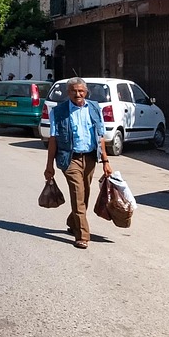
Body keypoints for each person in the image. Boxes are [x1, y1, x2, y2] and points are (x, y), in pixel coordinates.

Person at [44, 77, 112, 249]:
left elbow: (100, 136)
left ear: (86, 92)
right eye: (74, 91)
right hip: (69, 158)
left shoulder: (95, 108)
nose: (78, 94)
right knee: (77, 193)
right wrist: (49, 165)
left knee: (85, 195)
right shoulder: (58, 112)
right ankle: (82, 235)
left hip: (90, 158)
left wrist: (105, 161)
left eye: (81, 91)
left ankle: (72, 220)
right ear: (68, 93)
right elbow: (53, 140)